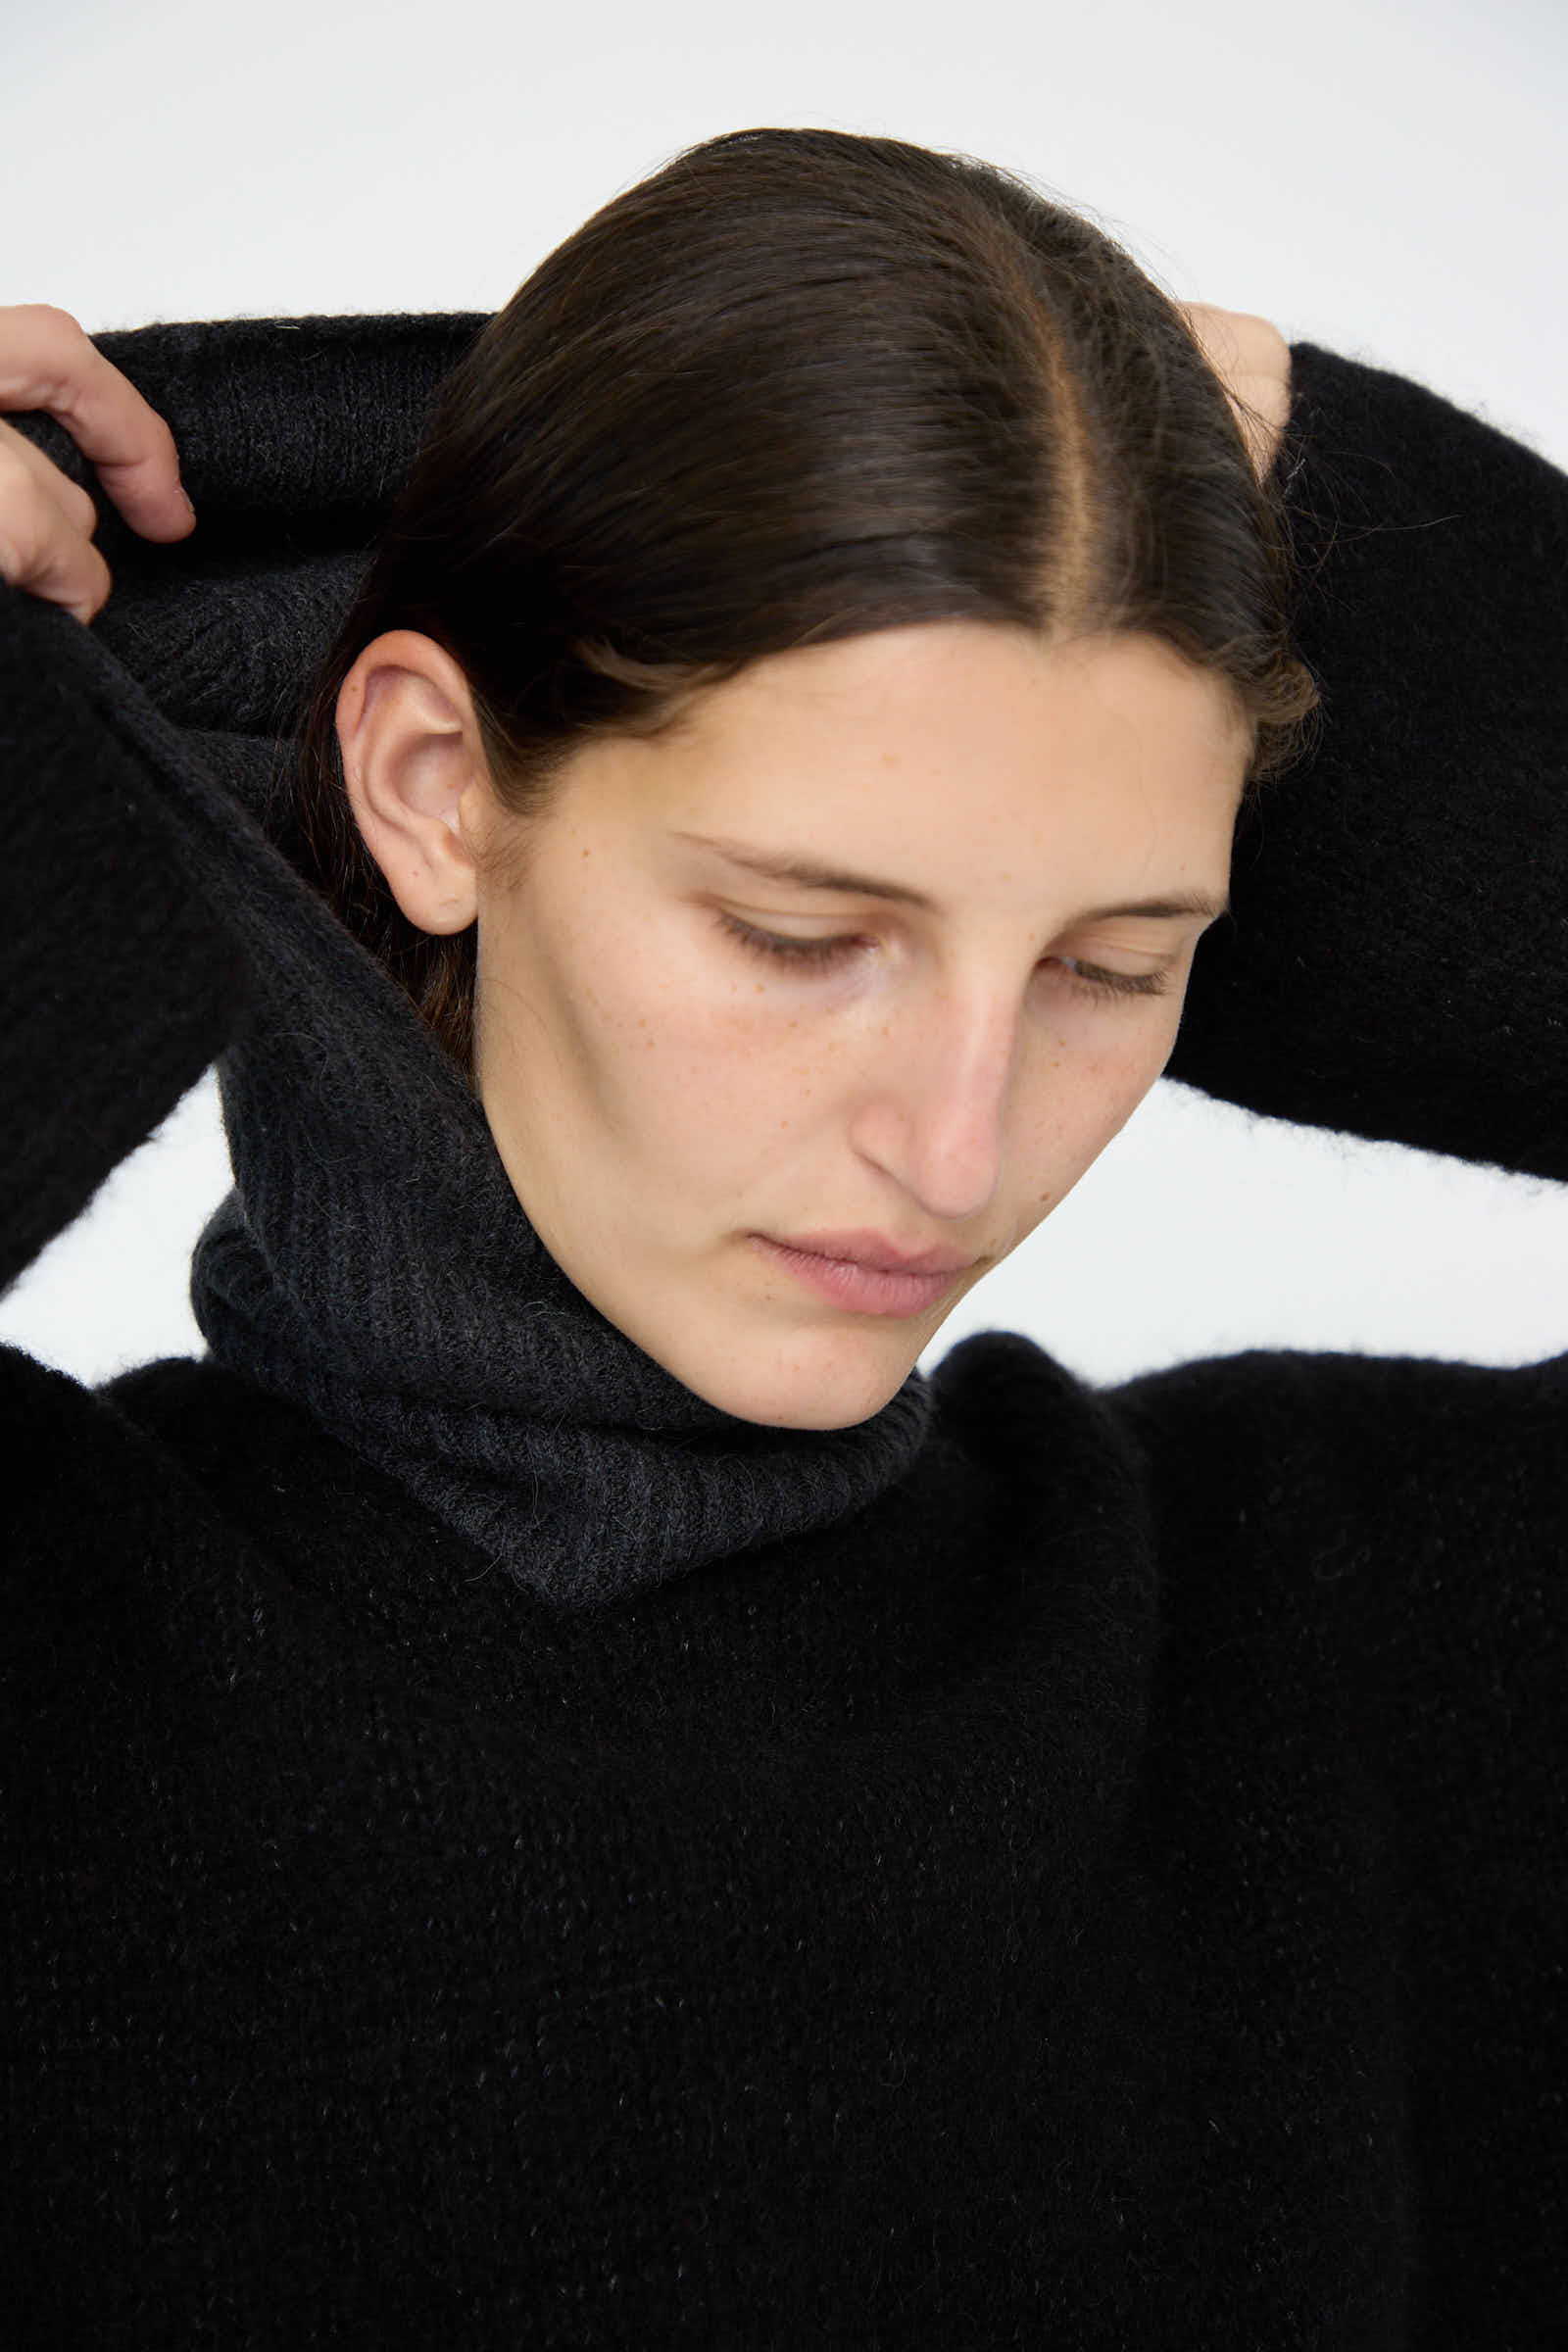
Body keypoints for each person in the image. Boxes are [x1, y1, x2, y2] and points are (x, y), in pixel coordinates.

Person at [1, 126, 1562, 2345]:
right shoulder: (50, 1690)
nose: (952, 1152)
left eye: (1112, 966)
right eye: (803, 931)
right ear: (435, 781)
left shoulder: (1352, 1654)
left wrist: (1279, 503)